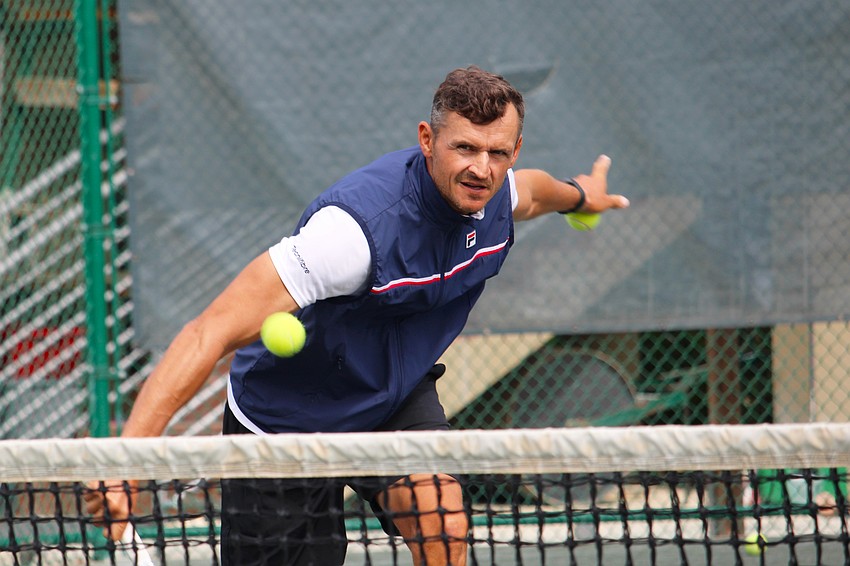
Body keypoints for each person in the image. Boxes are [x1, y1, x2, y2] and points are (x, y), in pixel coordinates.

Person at [85, 65, 629, 565]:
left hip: (391, 396)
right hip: (286, 421)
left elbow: (534, 192)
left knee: (441, 514)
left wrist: (583, 197)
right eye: (465, 148)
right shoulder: (351, 235)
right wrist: (129, 462)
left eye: (497, 152)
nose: (481, 169)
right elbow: (208, 333)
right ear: (427, 140)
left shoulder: (497, 192)